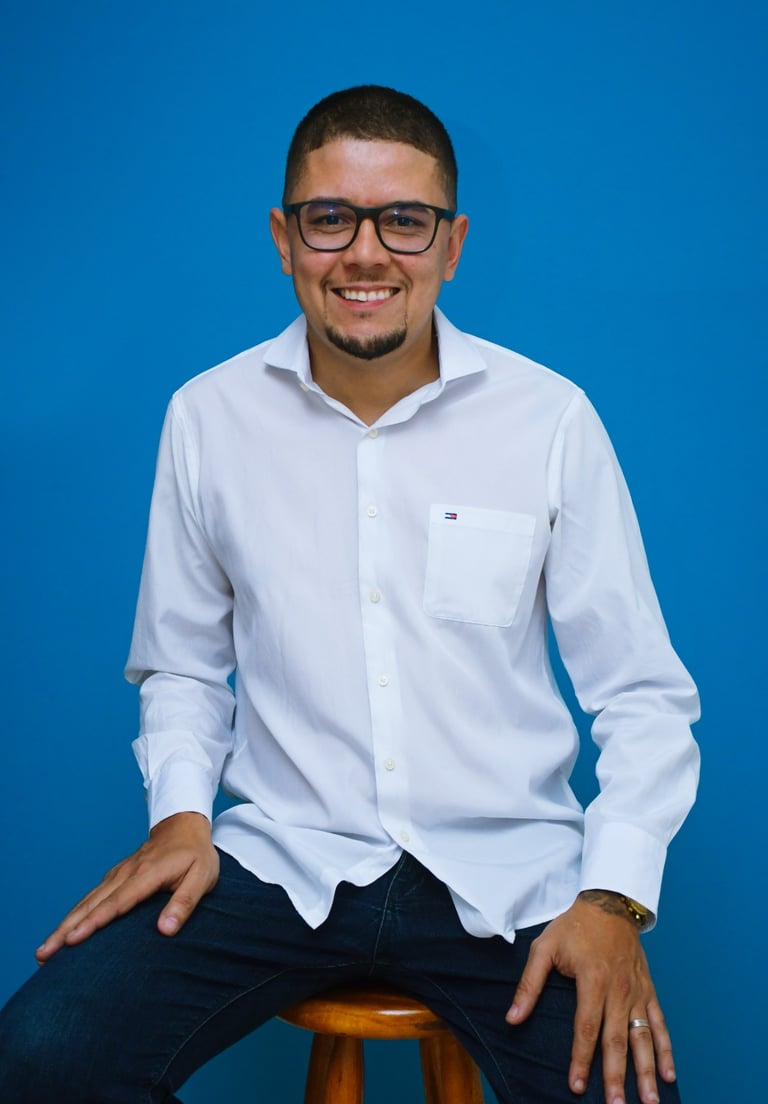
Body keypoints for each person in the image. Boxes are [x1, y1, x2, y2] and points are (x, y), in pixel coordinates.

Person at [0, 85, 700, 1104]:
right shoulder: (208, 417)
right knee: (41, 1054)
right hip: (284, 864)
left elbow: (641, 695)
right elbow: (182, 665)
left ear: (452, 245)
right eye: (331, 218)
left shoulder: (550, 420)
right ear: (284, 238)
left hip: (509, 881)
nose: (365, 254)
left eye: (403, 221)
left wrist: (614, 897)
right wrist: (181, 815)